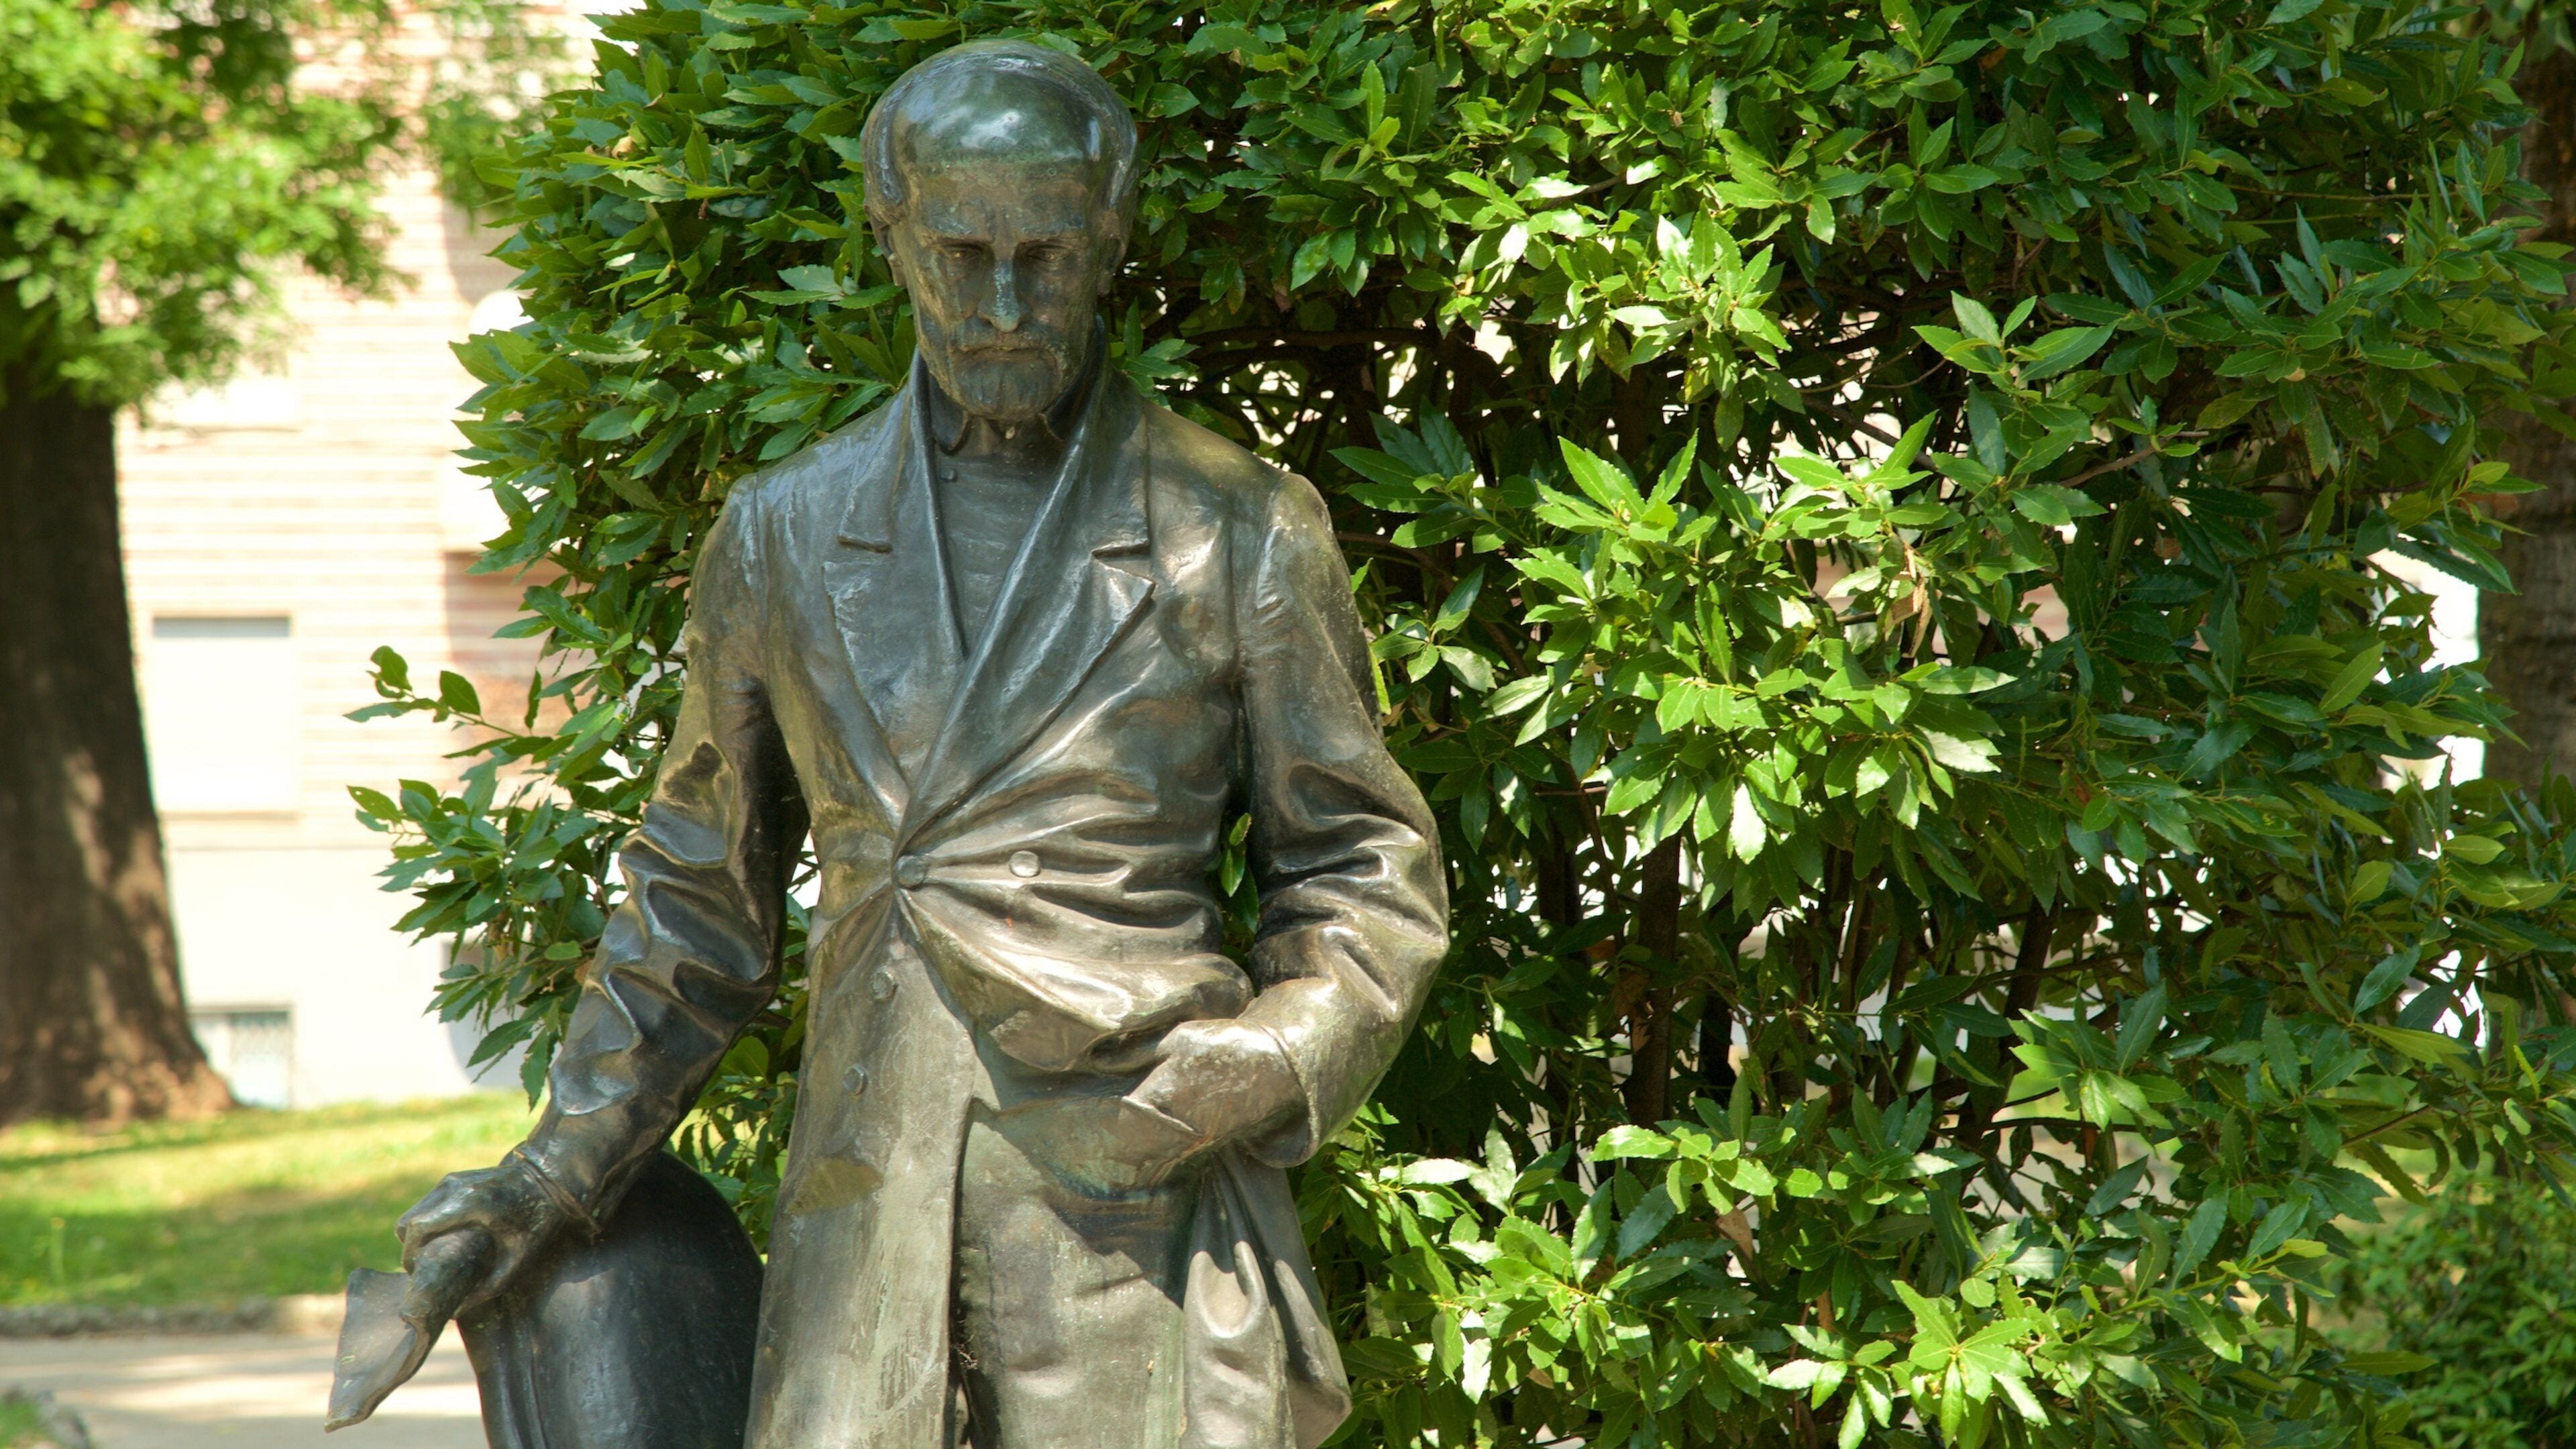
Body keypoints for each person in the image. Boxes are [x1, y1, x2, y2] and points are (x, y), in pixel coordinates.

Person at [392, 38, 1448, 1449]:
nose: (1003, 305)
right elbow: (694, 899)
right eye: (961, 253)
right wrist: (555, 1168)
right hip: (865, 1229)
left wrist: (1273, 1056)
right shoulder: (784, 534)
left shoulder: (1237, 527)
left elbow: (1364, 865)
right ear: (893, 239)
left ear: (1109, 238)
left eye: (1046, 257)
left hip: (1129, 1229)